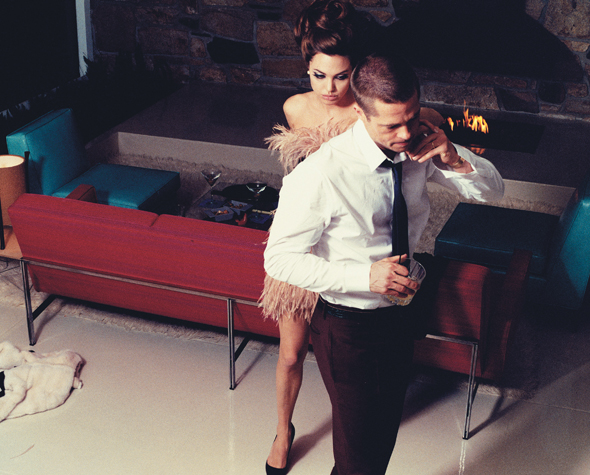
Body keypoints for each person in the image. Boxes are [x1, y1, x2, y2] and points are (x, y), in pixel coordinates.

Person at [264, 52, 504, 475]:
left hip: (400, 313)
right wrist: (364, 276)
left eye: (411, 117)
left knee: (380, 439)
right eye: (391, 125)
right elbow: (279, 259)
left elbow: (493, 192)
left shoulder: (420, 145)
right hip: (348, 327)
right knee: (359, 457)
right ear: (360, 113)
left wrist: (455, 160)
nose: (405, 133)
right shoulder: (321, 174)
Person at [261, 2, 443, 473]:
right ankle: (283, 432)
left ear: (357, 76)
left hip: (358, 252)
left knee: (359, 406)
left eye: (340, 77)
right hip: (311, 239)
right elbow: (299, 182)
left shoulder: (382, 114)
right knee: (291, 353)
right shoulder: (296, 108)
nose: (328, 88)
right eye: (318, 75)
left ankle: (355, 438)